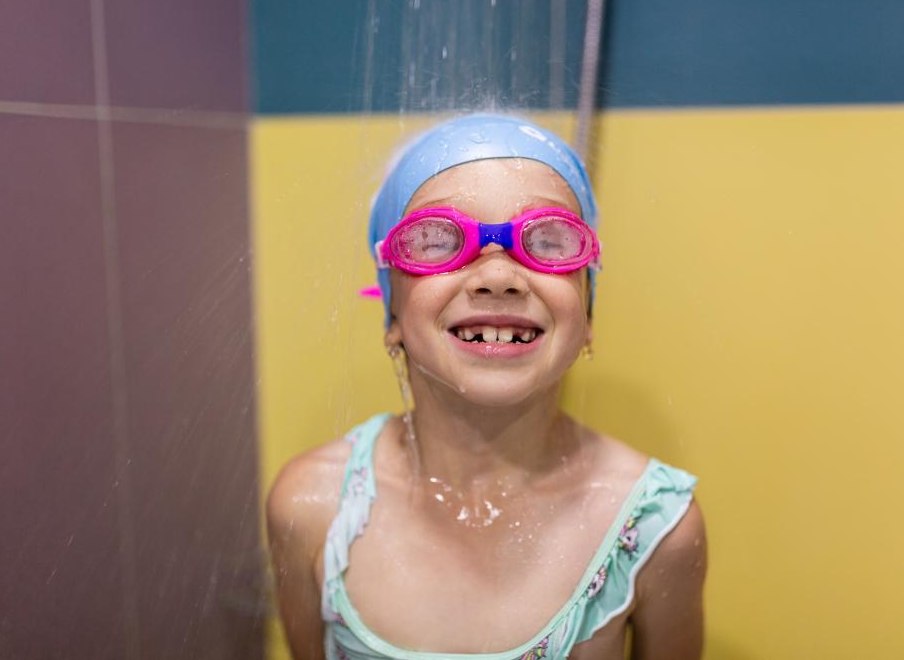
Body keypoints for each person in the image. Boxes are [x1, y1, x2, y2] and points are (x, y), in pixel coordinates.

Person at [267, 114, 707, 660]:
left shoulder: (652, 529)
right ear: (393, 316)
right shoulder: (314, 507)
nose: (497, 275)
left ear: (587, 313)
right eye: (437, 240)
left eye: (548, 240)